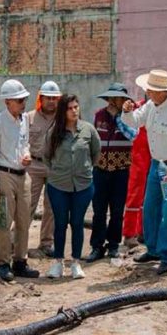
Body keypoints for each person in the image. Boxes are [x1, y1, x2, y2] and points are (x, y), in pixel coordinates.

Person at [122, 69, 167, 275]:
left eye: (151, 90)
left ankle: (166, 255)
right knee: (151, 207)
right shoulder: (151, 107)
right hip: (157, 164)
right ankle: (153, 249)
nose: (147, 92)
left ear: (163, 92)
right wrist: (126, 111)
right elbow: (134, 121)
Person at [0, 79, 40, 281]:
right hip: (3, 174)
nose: (22, 103)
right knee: (3, 221)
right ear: (7, 102)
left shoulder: (24, 119)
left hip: (22, 173)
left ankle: (20, 260)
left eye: (24, 99)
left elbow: (24, 143)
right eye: (18, 100)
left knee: (24, 219)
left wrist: (27, 155)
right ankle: (2, 262)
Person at [43, 94, 101, 279]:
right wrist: (59, 171)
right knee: (60, 223)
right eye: (70, 108)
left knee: (77, 222)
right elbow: (46, 157)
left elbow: (96, 154)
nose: (74, 110)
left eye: (76, 107)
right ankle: (58, 262)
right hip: (58, 185)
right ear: (63, 111)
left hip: (83, 185)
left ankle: (75, 262)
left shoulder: (88, 130)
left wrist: (84, 169)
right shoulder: (54, 132)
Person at [86, 82, 136, 262]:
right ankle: (96, 246)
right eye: (116, 97)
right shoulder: (99, 116)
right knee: (98, 210)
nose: (119, 100)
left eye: (122, 98)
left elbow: (133, 136)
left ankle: (114, 244)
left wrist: (121, 117)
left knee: (117, 210)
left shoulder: (130, 117)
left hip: (121, 170)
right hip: (100, 170)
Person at [26, 81, 62, 256]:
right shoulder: (29, 117)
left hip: (54, 166)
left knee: (52, 206)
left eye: (54, 98)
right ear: (41, 98)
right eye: (48, 98)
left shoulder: (63, 119)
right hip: (33, 165)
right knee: (27, 204)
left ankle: (46, 243)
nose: (51, 102)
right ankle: (17, 240)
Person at [122, 98, 151, 249]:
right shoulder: (137, 107)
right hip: (139, 155)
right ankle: (129, 233)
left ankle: (145, 231)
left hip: (156, 153)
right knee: (135, 193)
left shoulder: (165, 108)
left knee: (151, 195)